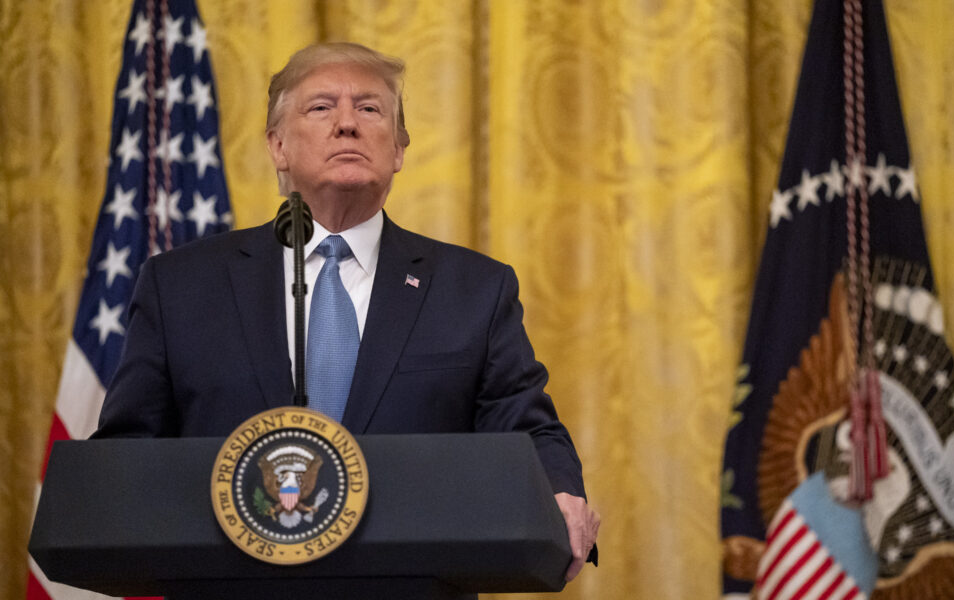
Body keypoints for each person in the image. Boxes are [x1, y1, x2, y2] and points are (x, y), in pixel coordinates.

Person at [94, 41, 599, 581]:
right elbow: (128, 453)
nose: (347, 124)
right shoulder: (182, 286)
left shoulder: (474, 289)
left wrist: (561, 494)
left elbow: (526, 427)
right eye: (320, 107)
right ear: (278, 146)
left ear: (399, 149)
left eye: (369, 108)